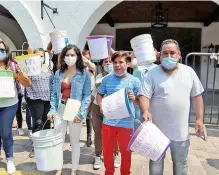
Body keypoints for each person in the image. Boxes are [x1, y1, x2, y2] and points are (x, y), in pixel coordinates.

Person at [138, 39, 204, 175]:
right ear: (159, 56)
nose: (169, 56)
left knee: (181, 164)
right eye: (165, 53)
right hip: (156, 131)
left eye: (172, 53)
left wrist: (200, 119)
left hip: (180, 131)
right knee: (156, 162)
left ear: (179, 54)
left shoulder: (189, 72)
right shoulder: (151, 74)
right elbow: (144, 95)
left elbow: (197, 96)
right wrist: (145, 110)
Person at [47, 44, 91, 175]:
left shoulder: (84, 73)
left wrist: (81, 113)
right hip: (61, 108)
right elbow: (54, 94)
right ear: (63, 56)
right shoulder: (58, 73)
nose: (69, 57)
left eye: (72, 55)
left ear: (78, 57)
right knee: (58, 140)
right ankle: (59, 168)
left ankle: (74, 169)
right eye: (67, 55)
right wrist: (52, 110)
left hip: (75, 110)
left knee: (74, 142)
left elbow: (87, 95)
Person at [97, 51, 141, 175]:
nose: (117, 65)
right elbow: (99, 95)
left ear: (127, 64)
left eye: (121, 62)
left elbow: (139, 103)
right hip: (108, 122)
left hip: (126, 124)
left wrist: (134, 98)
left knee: (126, 153)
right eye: (115, 62)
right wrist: (101, 105)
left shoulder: (135, 81)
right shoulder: (106, 80)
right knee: (107, 151)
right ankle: (109, 172)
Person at [0, 39, 31, 174]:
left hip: (9, 104)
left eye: (2, 50)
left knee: (6, 132)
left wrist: (19, 75)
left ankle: (10, 159)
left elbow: (27, 83)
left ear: (6, 52)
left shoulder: (13, 66)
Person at [92, 58, 120, 170]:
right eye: (105, 62)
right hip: (97, 107)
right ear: (102, 64)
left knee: (114, 133)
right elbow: (94, 93)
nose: (108, 63)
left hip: (111, 108)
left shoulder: (117, 76)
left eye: (110, 62)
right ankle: (98, 155)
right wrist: (88, 107)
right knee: (98, 133)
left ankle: (116, 154)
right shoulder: (98, 77)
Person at [25, 48, 53, 158]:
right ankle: (35, 146)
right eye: (37, 56)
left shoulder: (48, 67)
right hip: (34, 98)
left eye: (41, 56)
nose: (40, 58)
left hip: (48, 99)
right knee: (37, 122)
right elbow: (25, 81)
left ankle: (45, 143)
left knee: (46, 122)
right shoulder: (29, 68)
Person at [82, 49, 96, 147]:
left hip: (90, 93)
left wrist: (86, 60)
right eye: (85, 57)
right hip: (80, 94)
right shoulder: (79, 68)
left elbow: (90, 65)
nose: (87, 59)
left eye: (88, 57)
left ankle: (89, 137)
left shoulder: (91, 66)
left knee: (89, 116)